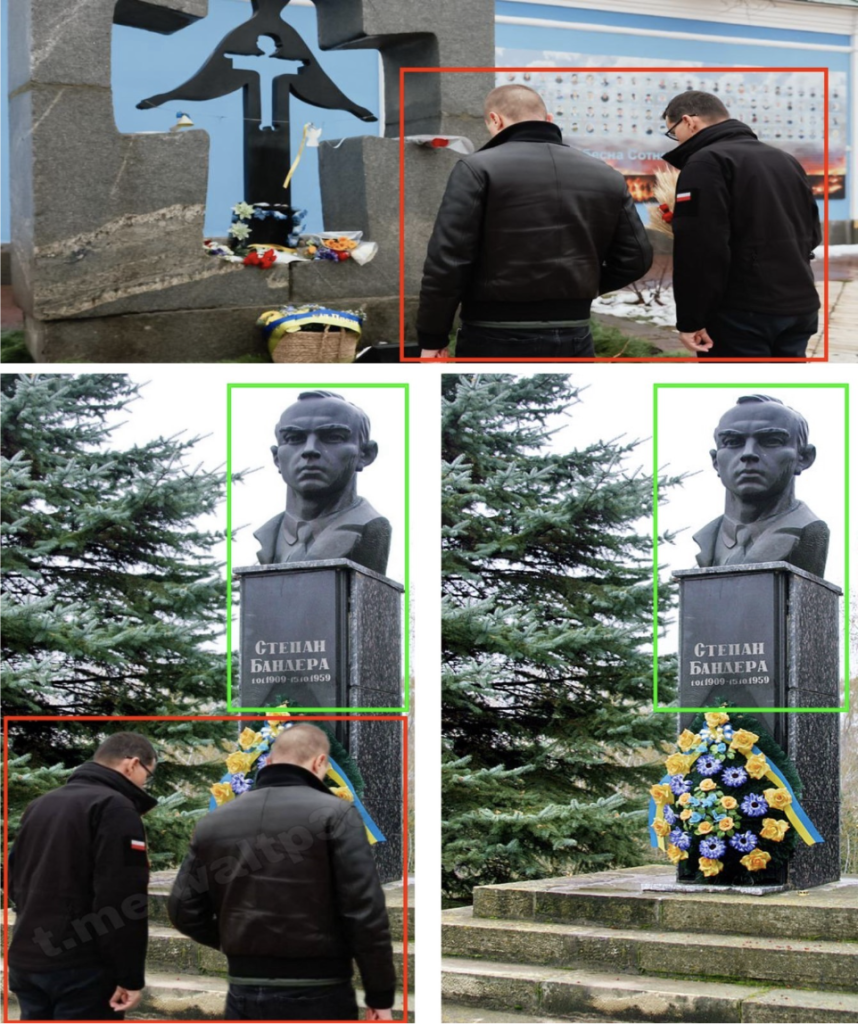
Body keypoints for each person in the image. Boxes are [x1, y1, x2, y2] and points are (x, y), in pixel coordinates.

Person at [168, 723, 396, 1022]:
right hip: (320, 990)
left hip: (244, 992)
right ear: (319, 763)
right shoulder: (336, 815)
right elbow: (365, 912)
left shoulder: (215, 822)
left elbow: (183, 908)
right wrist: (379, 996)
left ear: (269, 761)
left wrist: (233, 942)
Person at [417, 83, 653, 359]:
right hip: (574, 332)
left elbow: (448, 260)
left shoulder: (477, 169)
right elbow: (636, 256)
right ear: (548, 119)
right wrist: (586, 286)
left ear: (495, 119)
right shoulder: (606, 175)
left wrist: (433, 337)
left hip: (493, 332)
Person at [8, 733, 158, 1021]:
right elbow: (121, 898)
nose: (143, 785)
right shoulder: (115, 807)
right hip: (80, 970)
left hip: (28, 958)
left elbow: (14, 880)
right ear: (132, 764)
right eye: (147, 776)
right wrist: (129, 976)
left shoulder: (40, 805)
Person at [662, 91, 821, 358]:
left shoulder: (706, 161)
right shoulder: (785, 160)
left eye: (672, 131)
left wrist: (691, 320)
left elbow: (701, 248)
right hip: (800, 307)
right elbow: (812, 233)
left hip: (742, 315)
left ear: (689, 122)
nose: (676, 140)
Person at [253, 390, 391, 574]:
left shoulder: (371, 527)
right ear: (276, 458)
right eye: (294, 438)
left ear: (365, 454)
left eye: (333, 437)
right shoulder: (269, 535)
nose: (309, 450)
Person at [694, 394, 828, 577]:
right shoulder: (707, 539)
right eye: (733, 442)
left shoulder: (810, 531)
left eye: (771, 441)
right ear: (715, 461)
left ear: (803, 458)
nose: (748, 454)